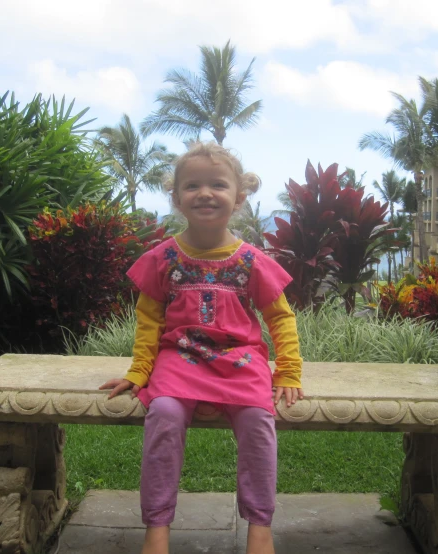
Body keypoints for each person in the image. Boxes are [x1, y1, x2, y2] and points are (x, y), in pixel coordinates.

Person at [100, 141, 303, 554]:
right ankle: (157, 526)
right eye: (192, 185)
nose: (205, 193)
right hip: (181, 359)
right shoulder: (163, 258)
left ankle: (260, 525)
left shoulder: (252, 261)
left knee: (257, 421)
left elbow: (279, 317)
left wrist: (289, 370)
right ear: (175, 198)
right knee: (164, 413)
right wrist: (139, 371)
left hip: (240, 361)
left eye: (218, 185)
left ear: (239, 197)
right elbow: (149, 321)